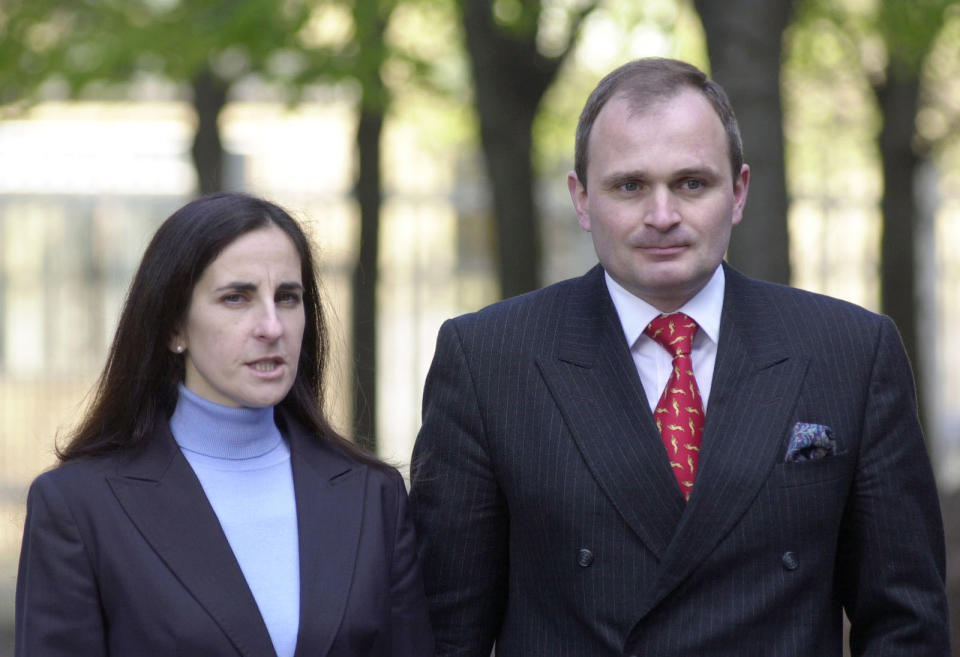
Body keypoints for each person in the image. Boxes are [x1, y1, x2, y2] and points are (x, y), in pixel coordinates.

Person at [409, 58, 950, 656]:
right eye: (629, 186)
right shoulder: (490, 361)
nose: (662, 216)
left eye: (691, 183)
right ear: (582, 199)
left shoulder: (849, 351)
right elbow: (443, 630)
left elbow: (906, 623)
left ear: (738, 192)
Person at [16, 192, 433, 656]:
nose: (272, 326)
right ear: (174, 327)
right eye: (237, 298)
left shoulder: (372, 495)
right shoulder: (80, 506)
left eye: (288, 298)